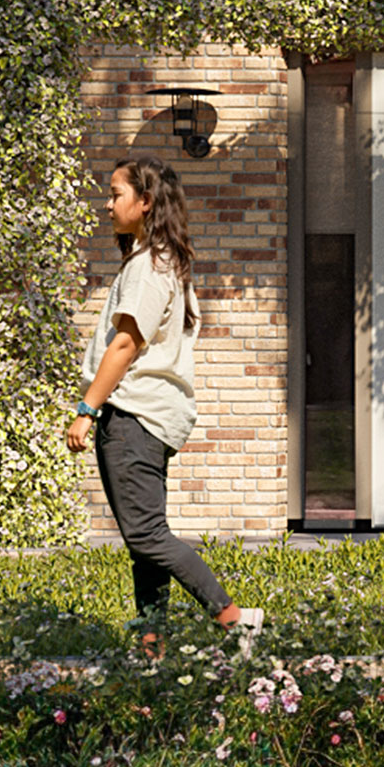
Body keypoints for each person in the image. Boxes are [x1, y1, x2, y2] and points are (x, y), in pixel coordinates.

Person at [65, 156, 260, 638]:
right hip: (143, 416)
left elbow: (126, 344)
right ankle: (152, 644)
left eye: (116, 194)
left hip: (134, 415)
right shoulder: (155, 261)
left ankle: (233, 619)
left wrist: (87, 409)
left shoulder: (149, 267)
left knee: (146, 534)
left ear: (145, 202)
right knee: (143, 536)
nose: (107, 204)